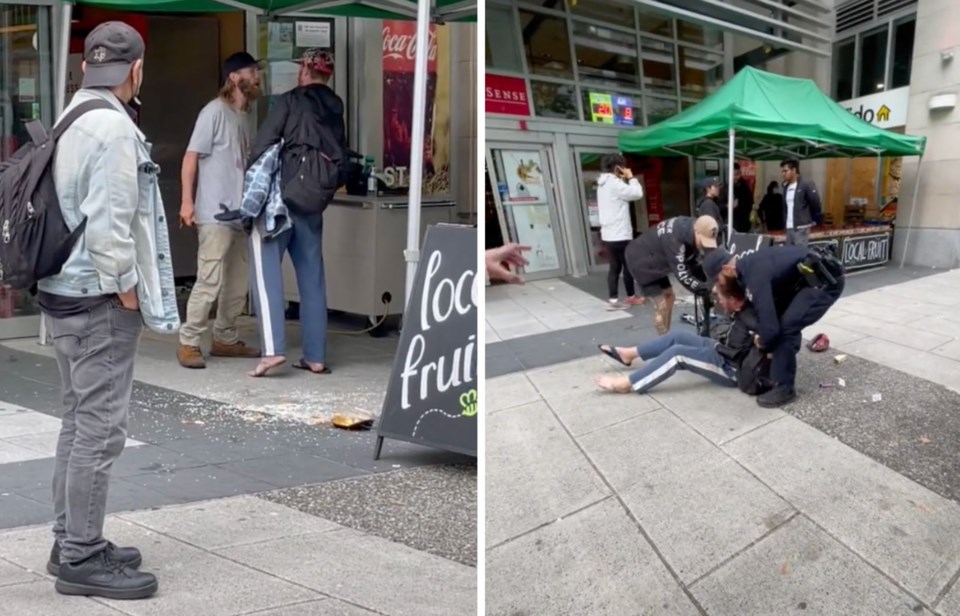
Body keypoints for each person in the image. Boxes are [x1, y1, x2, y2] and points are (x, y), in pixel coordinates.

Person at [36, 21, 180, 600]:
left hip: (63, 295)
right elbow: (111, 228)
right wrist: (128, 294)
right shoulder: (115, 131)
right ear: (136, 70)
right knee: (100, 430)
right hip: (98, 300)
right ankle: (81, 556)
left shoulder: (72, 115)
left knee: (77, 422)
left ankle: (69, 536)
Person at [245, 49, 346, 377]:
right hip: (313, 203)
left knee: (265, 272)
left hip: (279, 201)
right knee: (312, 278)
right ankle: (315, 356)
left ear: (305, 70)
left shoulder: (289, 101)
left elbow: (263, 145)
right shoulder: (336, 107)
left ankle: (273, 351)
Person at [176, 51, 263, 369]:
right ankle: (189, 341)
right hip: (214, 211)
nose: (256, 77)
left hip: (239, 214)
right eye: (252, 71)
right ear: (234, 77)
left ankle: (225, 337)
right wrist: (187, 201)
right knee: (209, 280)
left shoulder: (244, 115)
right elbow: (190, 158)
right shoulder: (213, 112)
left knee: (238, 282)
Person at [702, 244, 844, 407]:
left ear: (726, 269)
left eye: (717, 280)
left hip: (826, 284)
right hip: (810, 279)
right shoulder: (747, 266)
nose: (717, 286)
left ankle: (785, 389)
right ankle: (783, 360)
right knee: (782, 321)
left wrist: (762, 341)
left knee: (785, 328)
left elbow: (770, 329)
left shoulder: (754, 277)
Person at [594, 273, 763, 394]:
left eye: (719, 297)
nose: (717, 301)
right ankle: (629, 354)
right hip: (724, 350)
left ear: (732, 299)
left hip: (732, 368)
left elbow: (755, 348)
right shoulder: (742, 304)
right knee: (678, 336)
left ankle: (628, 383)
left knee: (677, 354)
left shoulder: (752, 321)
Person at [624, 215, 717, 335]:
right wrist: (705, 288)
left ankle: (667, 334)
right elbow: (683, 274)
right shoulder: (675, 240)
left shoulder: (691, 227)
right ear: (697, 232)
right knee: (661, 304)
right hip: (640, 260)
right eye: (703, 241)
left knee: (670, 296)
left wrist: (706, 283)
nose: (704, 245)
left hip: (654, 256)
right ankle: (664, 341)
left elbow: (693, 263)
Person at [596, 154, 644, 307]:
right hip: (621, 233)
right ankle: (631, 296)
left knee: (614, 267)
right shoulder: (615, 184)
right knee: (628, 266)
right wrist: (631, 178)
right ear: (617, 167)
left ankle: (613, 299)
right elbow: (637, 194)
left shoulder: (602, 184)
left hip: (608, 234)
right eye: (622, 166)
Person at [780, 159, 822, 247]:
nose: (783, 174)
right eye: (782, 171)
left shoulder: (806, 185)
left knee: (799, 254)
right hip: (789, 227)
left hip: (801, 228)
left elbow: (815, 202)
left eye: (786, 171)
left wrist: (812, 219)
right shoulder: (785, 187)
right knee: (789, 255)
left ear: (794, 170)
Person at [731, 163, 755, 233]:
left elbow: (750, 201)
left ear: (740, 173)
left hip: (745, 223)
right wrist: (728, 206)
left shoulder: (745, 186)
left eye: (737, 174)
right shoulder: (727, 188)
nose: (735, 177)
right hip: (732, 224)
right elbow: (720, 206)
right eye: (733, 174)